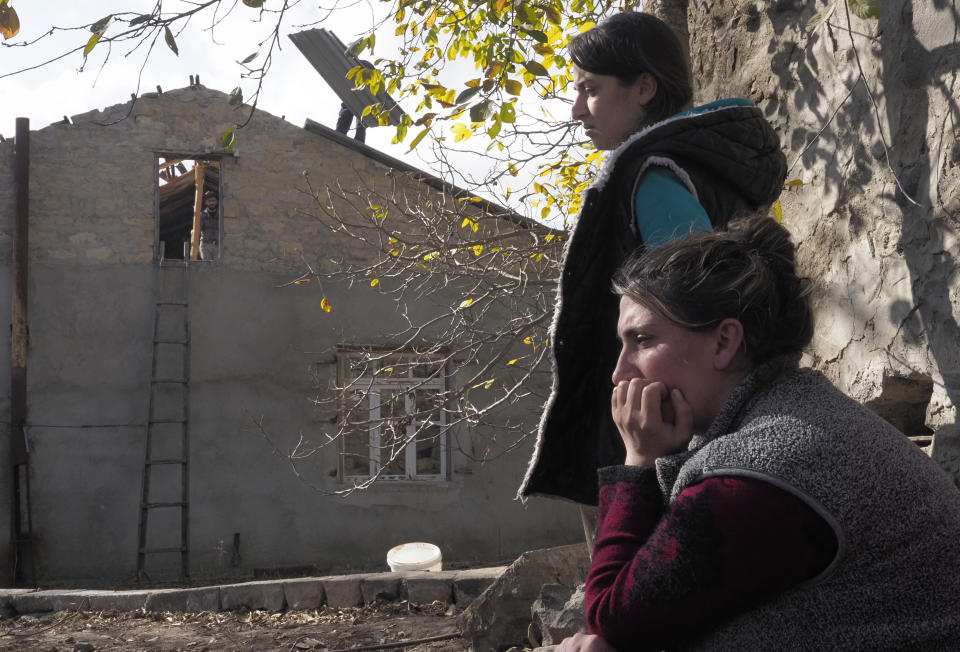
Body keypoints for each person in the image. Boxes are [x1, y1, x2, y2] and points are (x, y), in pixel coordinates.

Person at [557, 216, 960, 651]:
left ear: (723, 342)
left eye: (642, 340)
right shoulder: (789, 414)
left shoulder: (759, 471)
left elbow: (613, 616)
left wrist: (638, 460)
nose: (619, 373)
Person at [518, 12, 787, 510]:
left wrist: (653, 438)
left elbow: (698, 299)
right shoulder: (693, 166)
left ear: (643, 87)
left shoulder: (651, 174)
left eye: (591, 90)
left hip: (669, 427)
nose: (577, 109)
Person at [199, 189, 219, 261]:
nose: (211, 203)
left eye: (213, 201)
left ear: (216, 202)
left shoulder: (221, 215)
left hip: (218, 246)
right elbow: (198, 229)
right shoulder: (202, 215)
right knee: (207, 267)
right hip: (205, 245)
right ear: (206, 202)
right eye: (209, 201)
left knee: (217, 268)